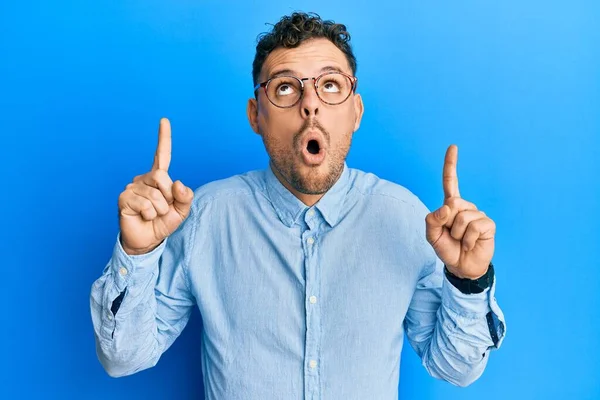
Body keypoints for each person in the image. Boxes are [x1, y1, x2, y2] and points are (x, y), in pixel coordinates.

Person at [90, 11, 506, 399]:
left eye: (330, 85)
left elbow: (456, 368)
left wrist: (468, 281)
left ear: (355, 110)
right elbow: (123, 357)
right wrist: (138, 254)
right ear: (256, 115)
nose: (310, 104)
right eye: (286, 87)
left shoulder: (405, 217)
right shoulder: (206, 216)